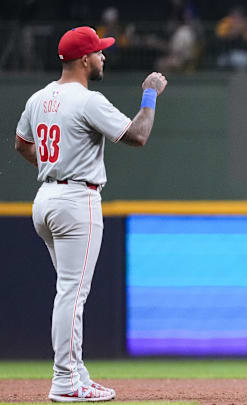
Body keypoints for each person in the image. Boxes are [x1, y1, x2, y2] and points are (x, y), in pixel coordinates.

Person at [14, 26, 167, 402]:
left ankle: (77, 372)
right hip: (75, 200)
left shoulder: (39, 98)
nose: (104, 57)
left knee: (70, 289)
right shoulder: (87, 100)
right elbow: (138, 135)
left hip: (46, 197)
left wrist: (54, 164)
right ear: (84, 59)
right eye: (99, 52)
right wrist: (149, 95)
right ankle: (65, 380)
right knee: (72, 293)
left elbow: (21, 144)